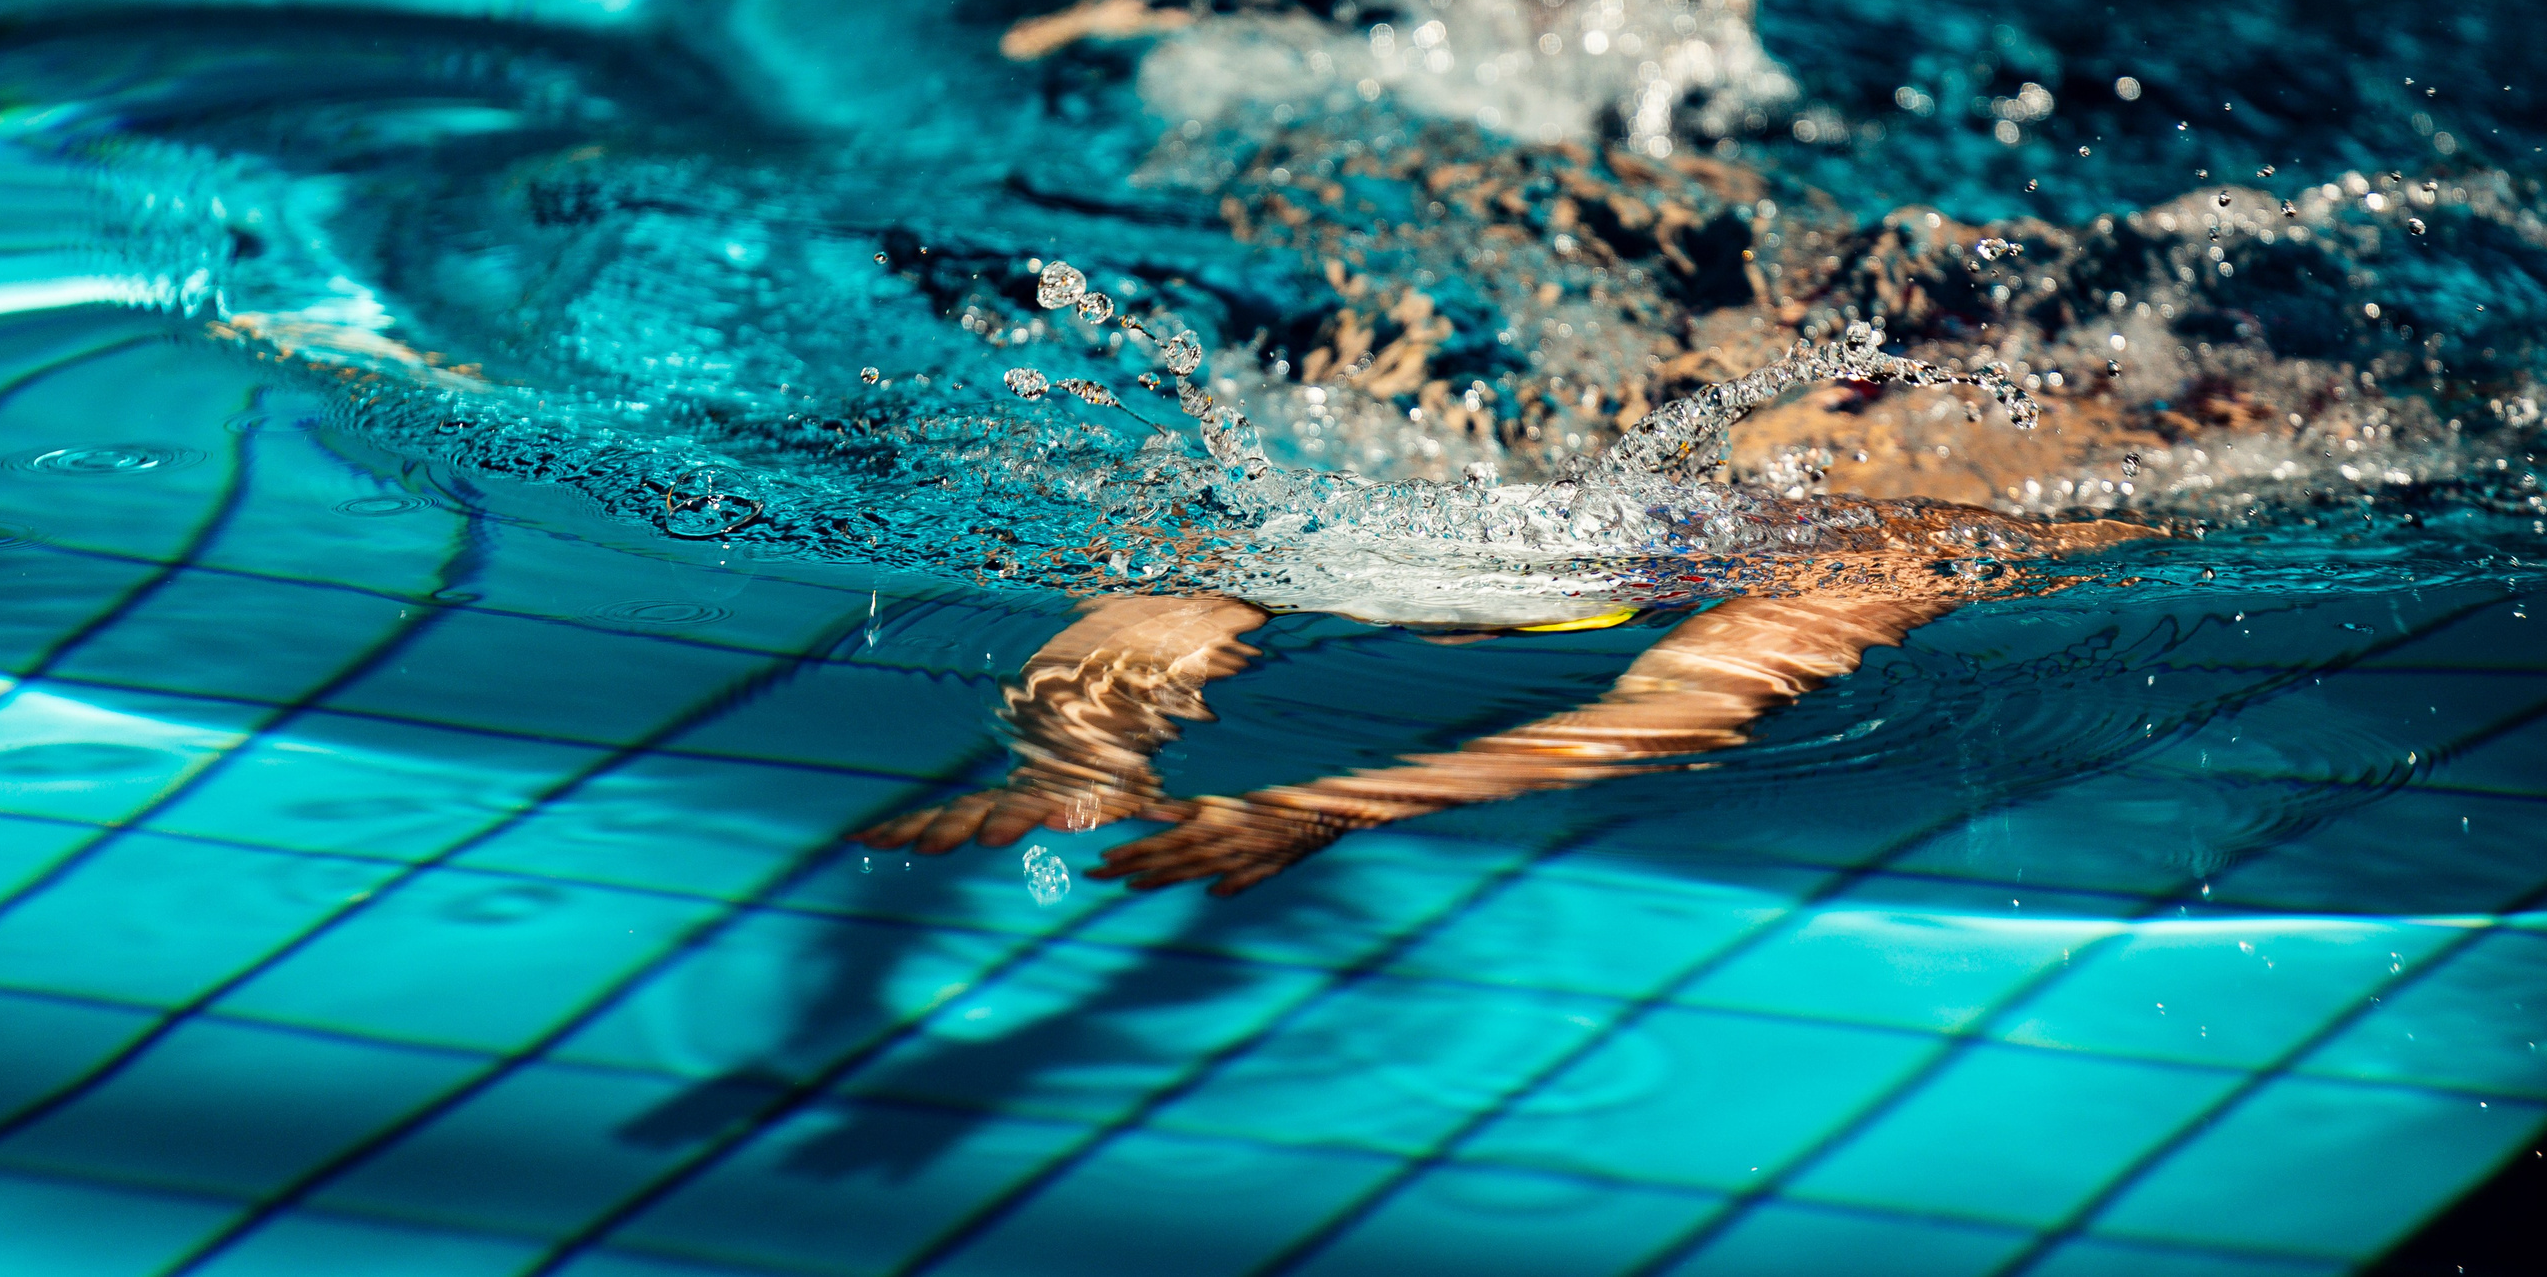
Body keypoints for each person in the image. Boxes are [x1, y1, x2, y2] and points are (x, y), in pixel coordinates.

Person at [853, 506, 2151, 895]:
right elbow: (1192, 587)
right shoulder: (1665, 498)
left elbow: (1687, 713)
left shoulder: (1898, 541)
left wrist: (1328, 803)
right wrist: (1071, 761)